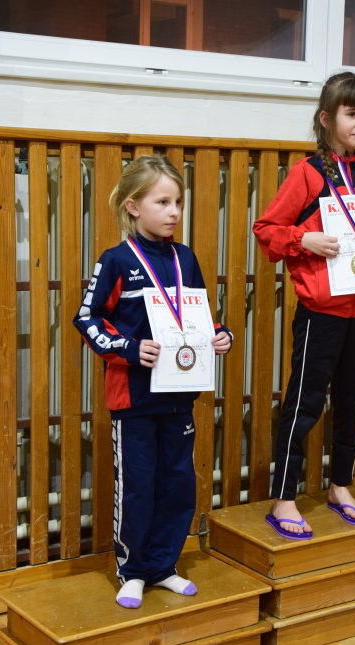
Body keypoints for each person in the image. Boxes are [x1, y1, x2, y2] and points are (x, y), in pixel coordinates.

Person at [73, 155, 233, 608]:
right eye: (162, 202)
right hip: (134, 400)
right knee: (138, 487)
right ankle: (133, 570)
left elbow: (198, 316)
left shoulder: (186, 258)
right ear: (132, 206)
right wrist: (127, 348)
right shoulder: (116, 260)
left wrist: (220, 335)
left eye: (178, 201)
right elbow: (86, 318)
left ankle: (163, 566)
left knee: (177, 485)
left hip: (179, 395)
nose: (173, 211)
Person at [253, 71, 355, 540]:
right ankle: (284, 498)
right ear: (325, 119)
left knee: (350, 402)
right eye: (351, 113)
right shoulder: (307, 173)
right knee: (304, 403)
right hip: (321, 312)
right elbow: (266, 231)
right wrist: (306, 240)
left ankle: (340, 486)